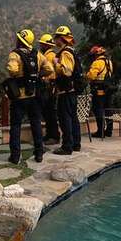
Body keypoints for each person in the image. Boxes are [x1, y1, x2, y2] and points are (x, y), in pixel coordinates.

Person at [5, 29, 53, 164]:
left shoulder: (15, 54)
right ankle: (39, 154)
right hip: (34, 95)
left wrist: (16, 75)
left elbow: (12, 70)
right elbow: (50, 69)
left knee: (15, 125)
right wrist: (38, 75)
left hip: (19, 97)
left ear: (20, 40)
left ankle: (15, 156)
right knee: (36, 123)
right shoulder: (37, 54)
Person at [52, 26, 83, 155]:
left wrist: (56, 63)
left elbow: (66, 71)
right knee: (73, 119)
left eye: (56, 38)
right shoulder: (72, 51)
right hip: (72, 91)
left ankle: (67, 147)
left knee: (65, 120)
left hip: (66, 91)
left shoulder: (65, 53)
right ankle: (76, 144)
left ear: (61, 39)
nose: (55, 40)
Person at [38, 33, 60, 145]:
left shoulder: (48, 56)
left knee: (50, 112)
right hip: (51, 87)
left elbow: (50, 71)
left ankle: (54, 136)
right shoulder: (52, 55)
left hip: (49, 87)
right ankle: (49, 135)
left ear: (46, 45)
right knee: (47, 112)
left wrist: (41, 75)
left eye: (42, 44)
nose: (40, 46)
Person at [87, 46, 114, 138]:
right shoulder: (109, 62)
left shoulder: (97, 63)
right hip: (108, 90)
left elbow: (91, 76)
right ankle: (109, 131)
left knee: (98, 109)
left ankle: (100, 131)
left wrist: (86, 75)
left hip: (99, 90)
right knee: (108, 110)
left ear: (96, 55)